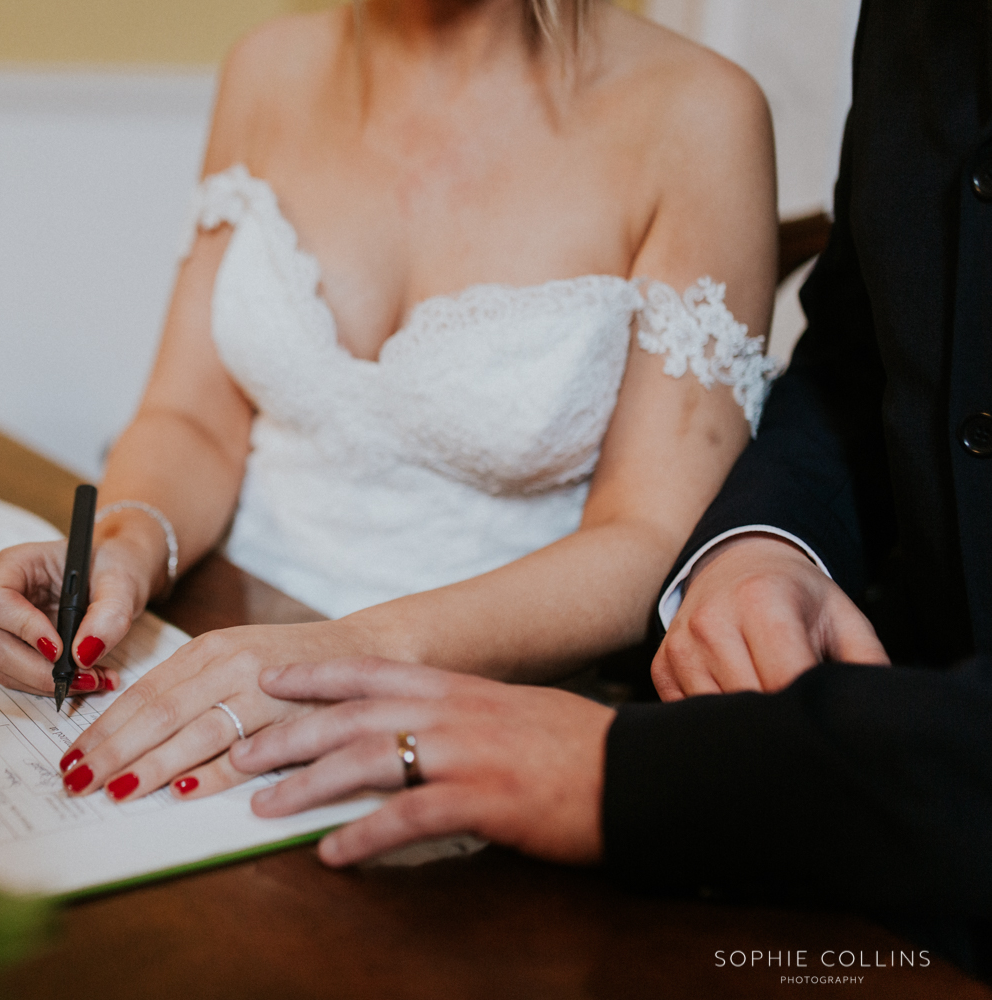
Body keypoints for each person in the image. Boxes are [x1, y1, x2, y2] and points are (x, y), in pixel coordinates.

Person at [224, 0, 992, 974]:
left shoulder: (693, 110)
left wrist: (618, 772)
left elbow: (646, 522)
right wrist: (761, 541)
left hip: (822, 773)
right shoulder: (910, 22)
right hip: (869, 821)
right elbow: (862, 341)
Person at [0, 0, 779, 801]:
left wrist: (343, 656)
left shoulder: (700, 113)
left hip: (480, 720)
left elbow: (650, 534)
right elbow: (193, 419)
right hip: (207, 642)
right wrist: (125, 548)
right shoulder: (266, 67)